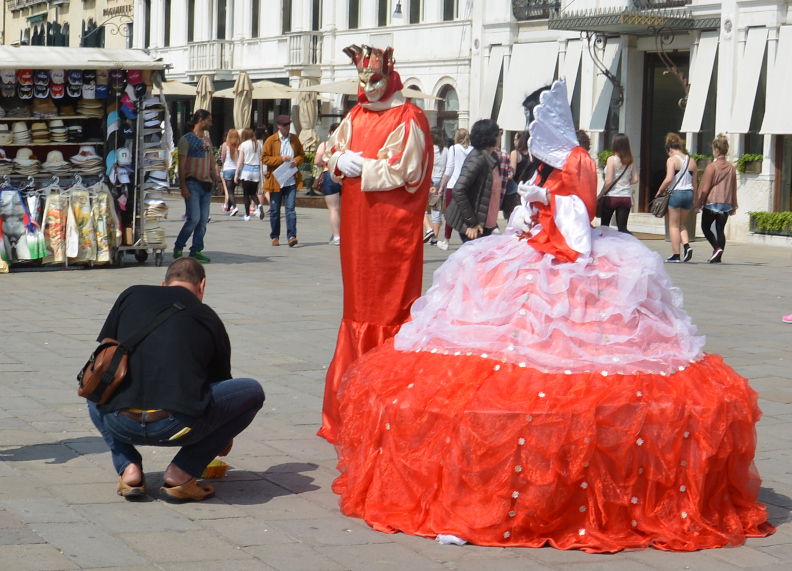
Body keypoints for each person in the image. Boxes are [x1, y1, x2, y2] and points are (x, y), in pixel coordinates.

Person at [328, 79, 774, 551]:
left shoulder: (578, 158)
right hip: (535, 255)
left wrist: (545, 205)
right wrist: (528, 215)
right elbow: (548, 215)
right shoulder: (556, 158)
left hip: (571, 267)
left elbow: (578, 234)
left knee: (570, 364)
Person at [318, 44, 433, 442]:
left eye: (376, 79)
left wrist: (361, 165)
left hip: (390, 230)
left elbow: (410, 169)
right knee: (358, 303)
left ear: (391, 74)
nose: (369, 86)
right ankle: (351, 404)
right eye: (363, 80)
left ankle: (386, 401)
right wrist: (337, 161)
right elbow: (327, 151)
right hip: (357, 225)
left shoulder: (409, 116)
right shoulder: (354, 114)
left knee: (388, 304)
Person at [87, 258, 265, 501]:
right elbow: (218, 387)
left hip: (120, 422)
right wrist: (223, 435)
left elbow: (106, 351)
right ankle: (181, 473)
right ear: (202, 285)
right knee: (252, 393)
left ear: (163, 284)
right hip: (175, 426)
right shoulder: (208, 318)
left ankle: (129, 469)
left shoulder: (131, 295)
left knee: (94, 387)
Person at [444, 119, 502, 243]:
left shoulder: (492, 157)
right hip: (475, 225)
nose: (500, 135)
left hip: (487, 222)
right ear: (490, 136)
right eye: (499, 132)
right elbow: (459, 190)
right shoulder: (477, 159)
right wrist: (472, 223)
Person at [174, 109, 218, 263]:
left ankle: (196, 250)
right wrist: (183, 186)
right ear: (201, 120)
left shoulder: (207, 140)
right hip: (192, 183)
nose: (211, 124)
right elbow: (182, 165)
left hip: (206, 185)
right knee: (194, 218)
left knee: (203, 220)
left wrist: (215, 176)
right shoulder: (186, 140)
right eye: (209, 120)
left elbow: (211, 160)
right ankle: (179, 246)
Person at [262, 115, 304, 247]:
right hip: (276, 180)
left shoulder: (295, 139)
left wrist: (297, 161)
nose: (287, 127)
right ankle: (275, 236)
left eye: (288, 124)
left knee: (290, 209)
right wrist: (281, 159)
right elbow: (264, 158)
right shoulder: (271, 140)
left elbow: (301, 154)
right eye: (285, 125)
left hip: (291, 179)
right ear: (279, 126)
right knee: (275, 210)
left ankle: (292, 236)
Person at [694, 134, 737, 263]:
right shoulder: (732, 168)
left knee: (705, 227)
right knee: (720, 230)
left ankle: (716, 248)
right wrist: (733, 205)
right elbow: (733, 188)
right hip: (726, 204)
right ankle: (718, 257)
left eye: (713, 149)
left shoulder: (711, 167)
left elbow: (705, 187)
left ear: (716, 150)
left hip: (712, 203)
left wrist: (698, 203)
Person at [658, 133, 697, 263]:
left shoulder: (672, 160)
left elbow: (669, 178)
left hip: (676, 194)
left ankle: (676, 255)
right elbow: (695, 183)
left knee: (673, 225)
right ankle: (686, 246)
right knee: (681, 223)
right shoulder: (691, 161)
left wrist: (660, 190)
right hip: (689, 194)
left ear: (670, 149)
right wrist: (695, 200)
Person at [436, 129, 472, 251]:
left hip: (453, 184)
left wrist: (442, 186)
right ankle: (469, 240)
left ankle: (446, 241)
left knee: (451, 214)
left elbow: (450, 168)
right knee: (467, 213)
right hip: (467, 186)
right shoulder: (472, 150)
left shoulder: (454, 149)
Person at [599, 133, 639, 234]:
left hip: (612, 197)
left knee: (604, 227)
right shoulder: (630, 160)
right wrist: (625, 182)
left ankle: (605, 247)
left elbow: (609, 181)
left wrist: (599, 195)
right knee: (622, 229)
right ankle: (631, 244)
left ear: (615, 144)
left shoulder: (612, 160)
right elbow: (635, 179)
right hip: (625, 197)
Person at [314, 122, 342, 245]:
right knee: (343, 209)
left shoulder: (324, 144)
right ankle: (345, 234)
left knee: (333, 209)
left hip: (329, 175)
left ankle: (336, 237)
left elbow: (317, 161)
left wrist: (324, 164)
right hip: (343, 176)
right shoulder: (345, 144)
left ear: (330, 131)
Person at [235, 127, 266, 222]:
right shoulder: (258, 144)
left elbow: (240, 160)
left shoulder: (243, 145)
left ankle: (247, 215)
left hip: (246, 170)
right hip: (256, 170)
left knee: (246, 194)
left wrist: (236, 174)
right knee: (253, 192)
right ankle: (259, 205)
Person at [427, 127, 449, 245]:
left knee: (423, 208)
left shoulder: (428, 150)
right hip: (440, 181)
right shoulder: (445, 150)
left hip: (428, 181)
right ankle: (434, 237)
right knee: (437, 209)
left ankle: (428, 228)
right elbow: (447, 167)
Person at [502, 130, 532, 219]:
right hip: (529, 189)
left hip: (516, 191)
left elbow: (512, 173)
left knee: (514, 218)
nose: (514, 141)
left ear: (520, 140)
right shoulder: (532, 153)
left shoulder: (515, 153)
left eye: (515, 139)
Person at [219, 129, 241, 217]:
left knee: (229, 191)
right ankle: (228, 209)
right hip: (236, 170)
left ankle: (234, 207)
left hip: (227, 169)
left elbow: (223, 157)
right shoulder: (239, 146)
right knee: (232, 190)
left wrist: (223, 165)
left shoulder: (225, 145)